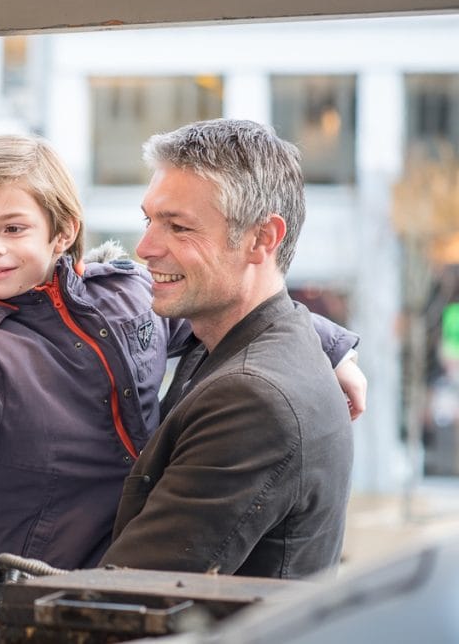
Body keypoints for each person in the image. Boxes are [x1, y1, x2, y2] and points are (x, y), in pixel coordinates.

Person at [0, 133, 364, 569]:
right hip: (50, 561)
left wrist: (332, 348)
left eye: (12, 227)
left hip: (136, 530)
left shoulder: (122, 292)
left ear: (63, 232)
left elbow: (225, 310)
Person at [99, 119, 355, 578]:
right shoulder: (229, 343)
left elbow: (125, 598)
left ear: (262, 239)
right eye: (149, 219)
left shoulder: (251, 397)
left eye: (178, 227)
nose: (145, 248)